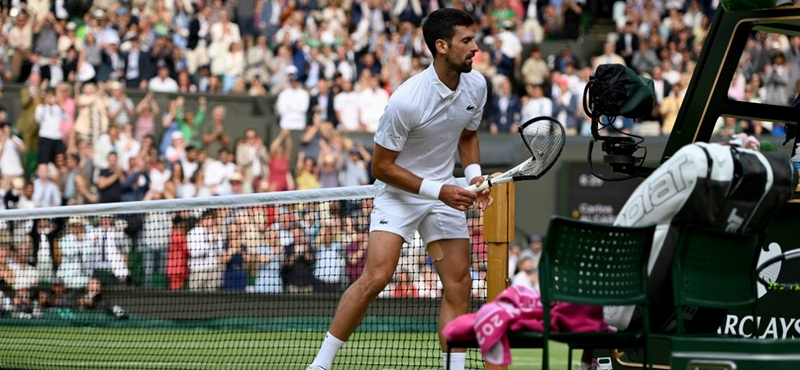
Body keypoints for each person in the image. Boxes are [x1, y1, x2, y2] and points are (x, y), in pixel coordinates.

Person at [307, 9, 491, 370]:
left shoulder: (477, 85)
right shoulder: (406, 100)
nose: (475, 48)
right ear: (441, 46)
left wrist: (472, 176)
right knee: (377, 276)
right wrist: (438, 191)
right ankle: (321, 364)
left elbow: (468, 135)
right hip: (400, 190)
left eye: (473, 39)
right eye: (466, 41)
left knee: (459, 284)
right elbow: (381, 167)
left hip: (444, 191)